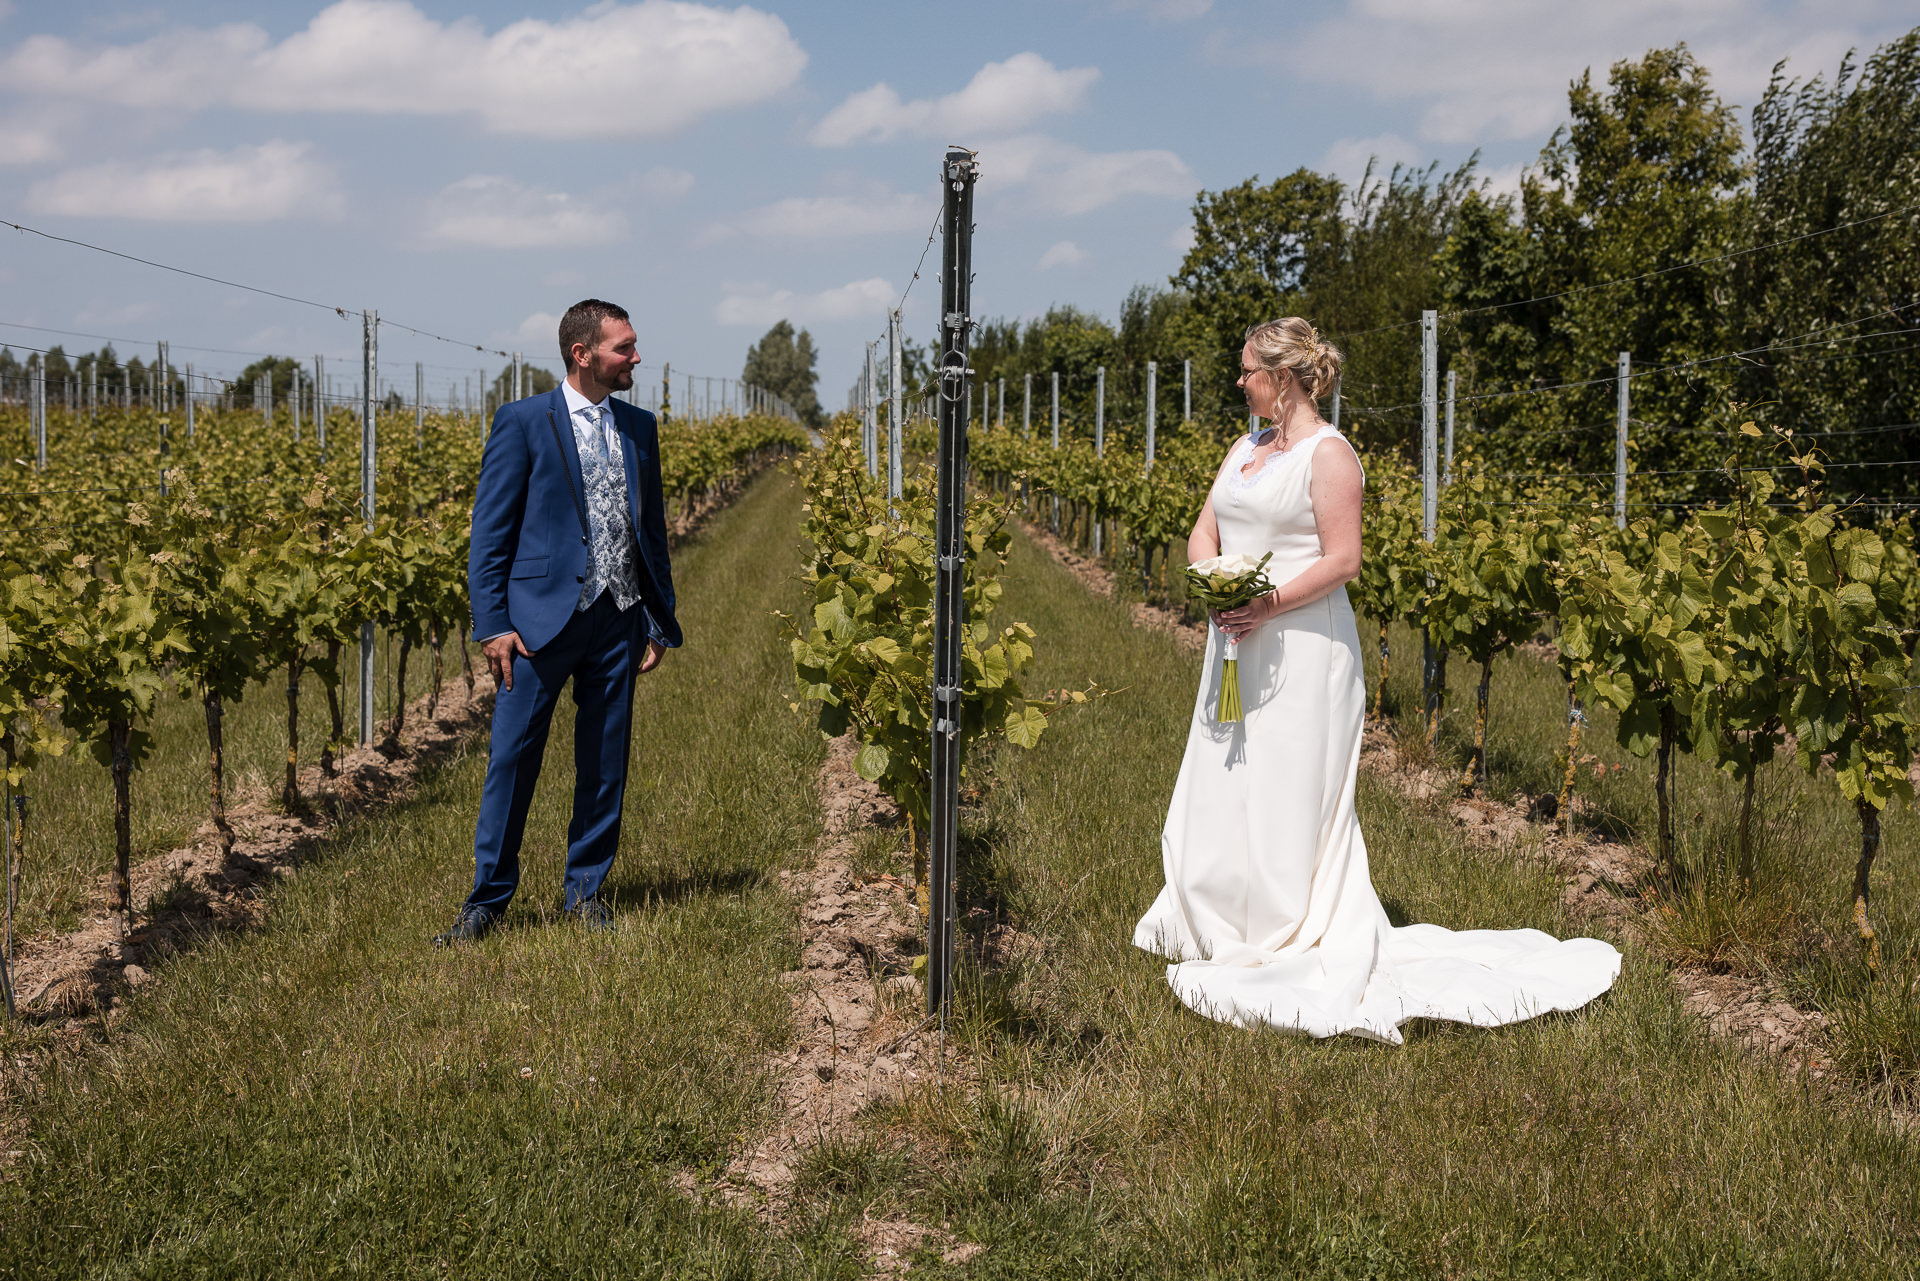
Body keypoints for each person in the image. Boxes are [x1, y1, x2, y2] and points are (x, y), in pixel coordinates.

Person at [1131, 318, 1620, 1041]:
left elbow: (1343, 560)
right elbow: (1206, 525)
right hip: (1235, 639)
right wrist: (1216, 583)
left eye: (1247, 371)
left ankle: (1286, 921)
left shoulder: (1330, 456)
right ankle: (1216, 906)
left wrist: (1263, 603)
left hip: (1300, 645)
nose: (1239, 382)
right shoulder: (1246, 446)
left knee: (1286, 783)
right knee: (1227, 771)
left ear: (1284, 377)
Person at [433, 299, 680, 945]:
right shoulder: (523, 422)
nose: (635, 357)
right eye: (623, 347)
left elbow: (650, 532)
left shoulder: (640, 427)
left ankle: (585, 892)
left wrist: (657, 617)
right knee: (512, 760)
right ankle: (487, 900)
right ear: (583, 353)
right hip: (537, 624)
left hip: (619, 617)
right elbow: (489, 534)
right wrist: (492, 625)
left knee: (604, 760)